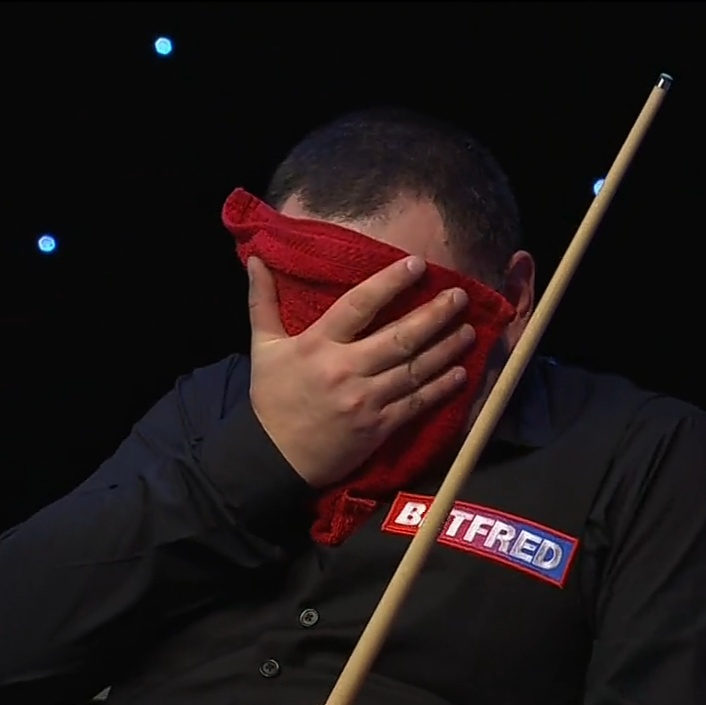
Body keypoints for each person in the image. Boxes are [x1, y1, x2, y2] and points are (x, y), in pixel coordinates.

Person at [1, 108, 705, 705]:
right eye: (308, 307)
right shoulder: (212, 402)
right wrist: (262, 456)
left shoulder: (646, 452)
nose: (337, 363)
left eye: (392, 317)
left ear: (514, 298)